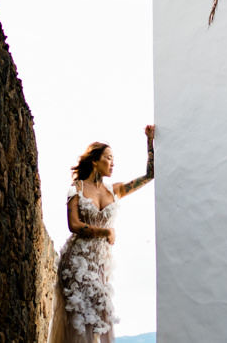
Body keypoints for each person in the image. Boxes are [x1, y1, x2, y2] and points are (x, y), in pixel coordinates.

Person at [49, 124, 155, 343]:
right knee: (79, 325)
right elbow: (74, 225)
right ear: (95, 161)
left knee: (101, 319)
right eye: (108, 158)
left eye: (113, 159)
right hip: (76, 264)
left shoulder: (115, 190)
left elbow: (150, 176)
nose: (112, 163)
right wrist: (104, 231)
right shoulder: (76, 188)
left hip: (100, 265)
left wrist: (150, 142)